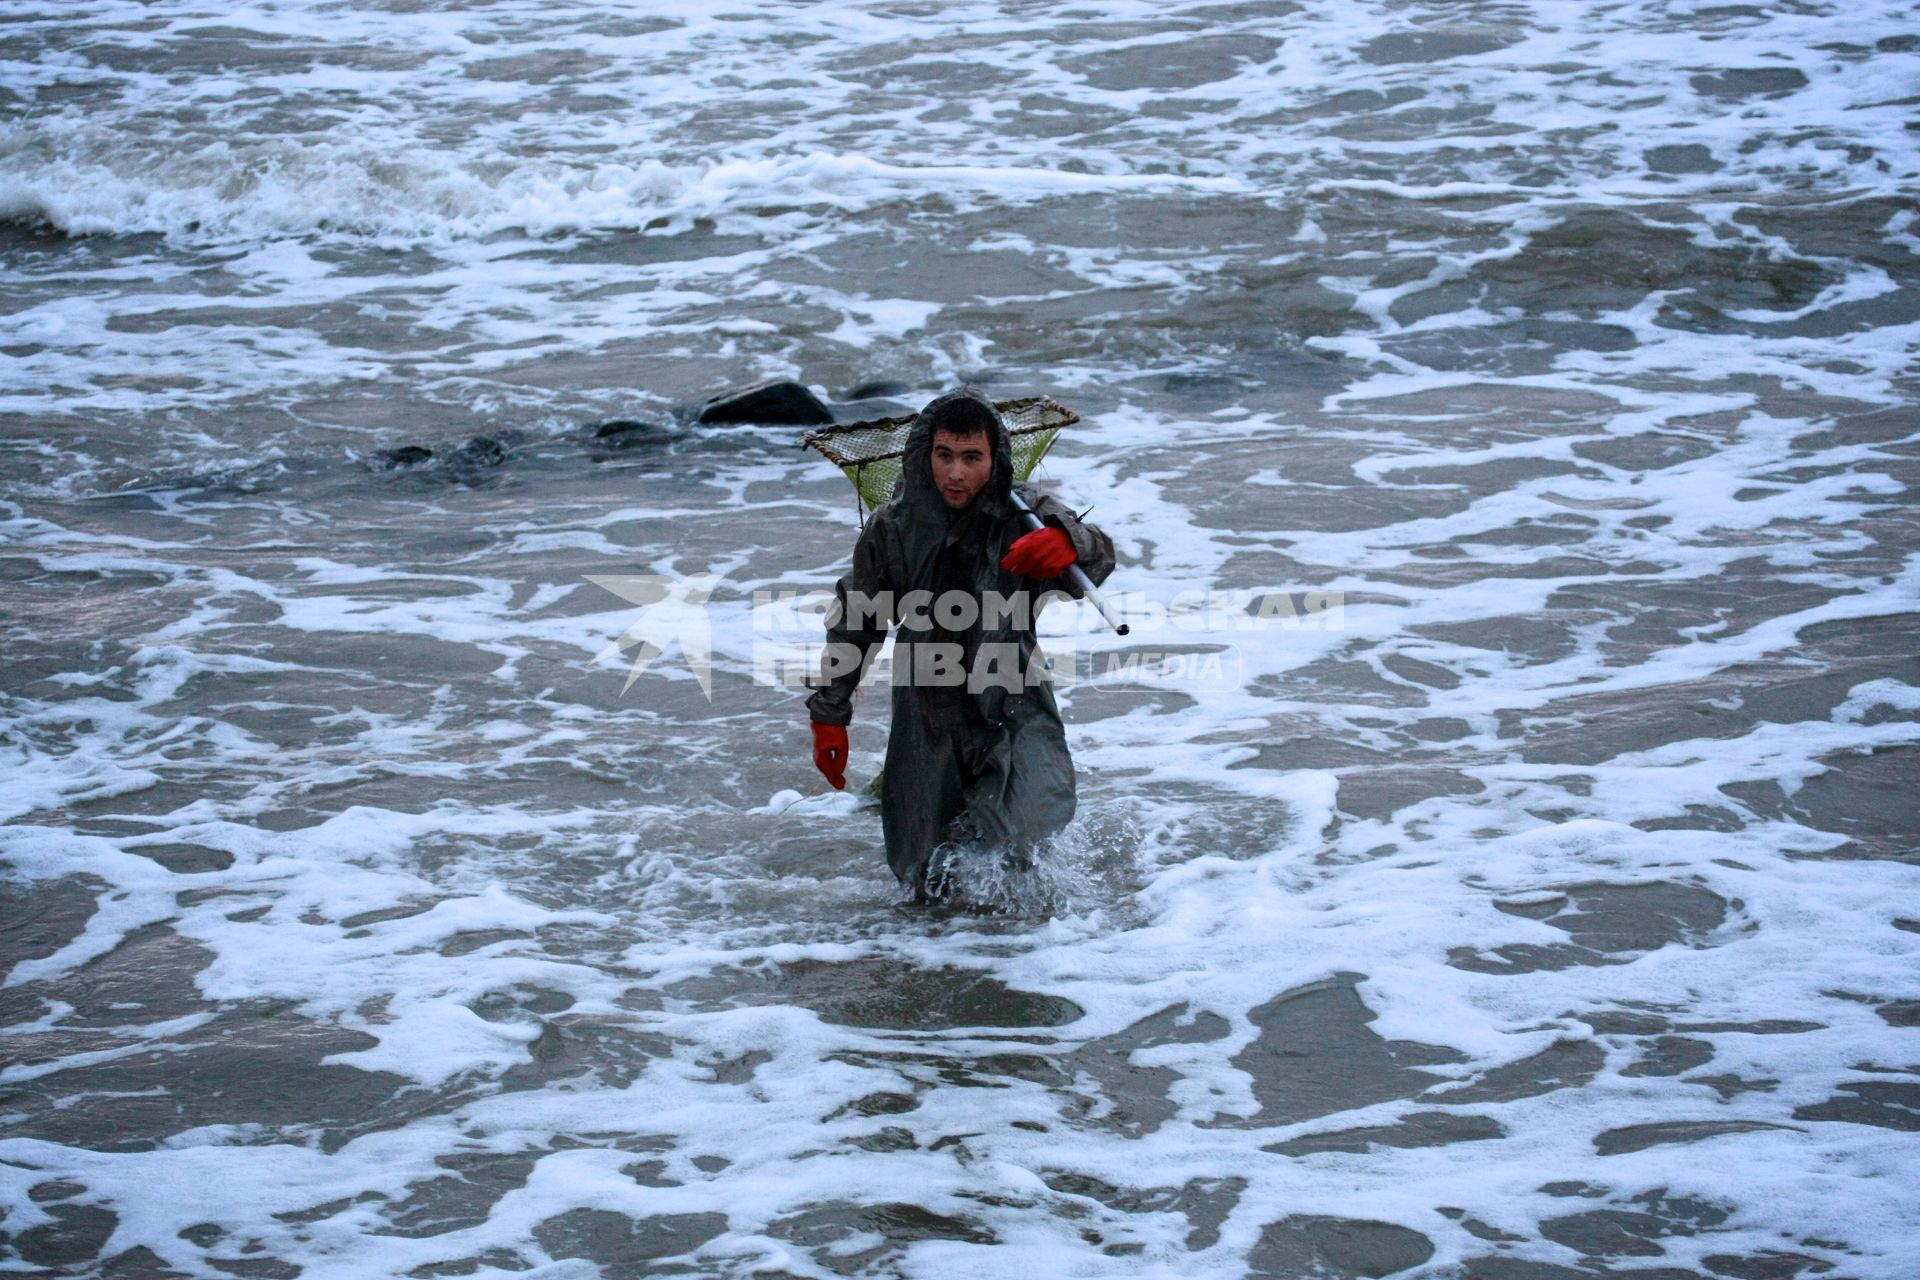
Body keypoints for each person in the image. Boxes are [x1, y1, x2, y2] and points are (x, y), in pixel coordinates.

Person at [804, 386, 1115, 901]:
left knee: (1024, 845)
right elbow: (857, 624)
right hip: (926, 713)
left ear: (995, 461)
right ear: (925, 455)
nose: (955, 473)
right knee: (926, 881)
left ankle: (1024, 960)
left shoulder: (1027, 516)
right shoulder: (893, 529)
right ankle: (941, 966)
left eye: (972, 458)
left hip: (1015, 701)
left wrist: (1069, 543)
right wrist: (829, 716)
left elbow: (1099, 556)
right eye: (944, 455)